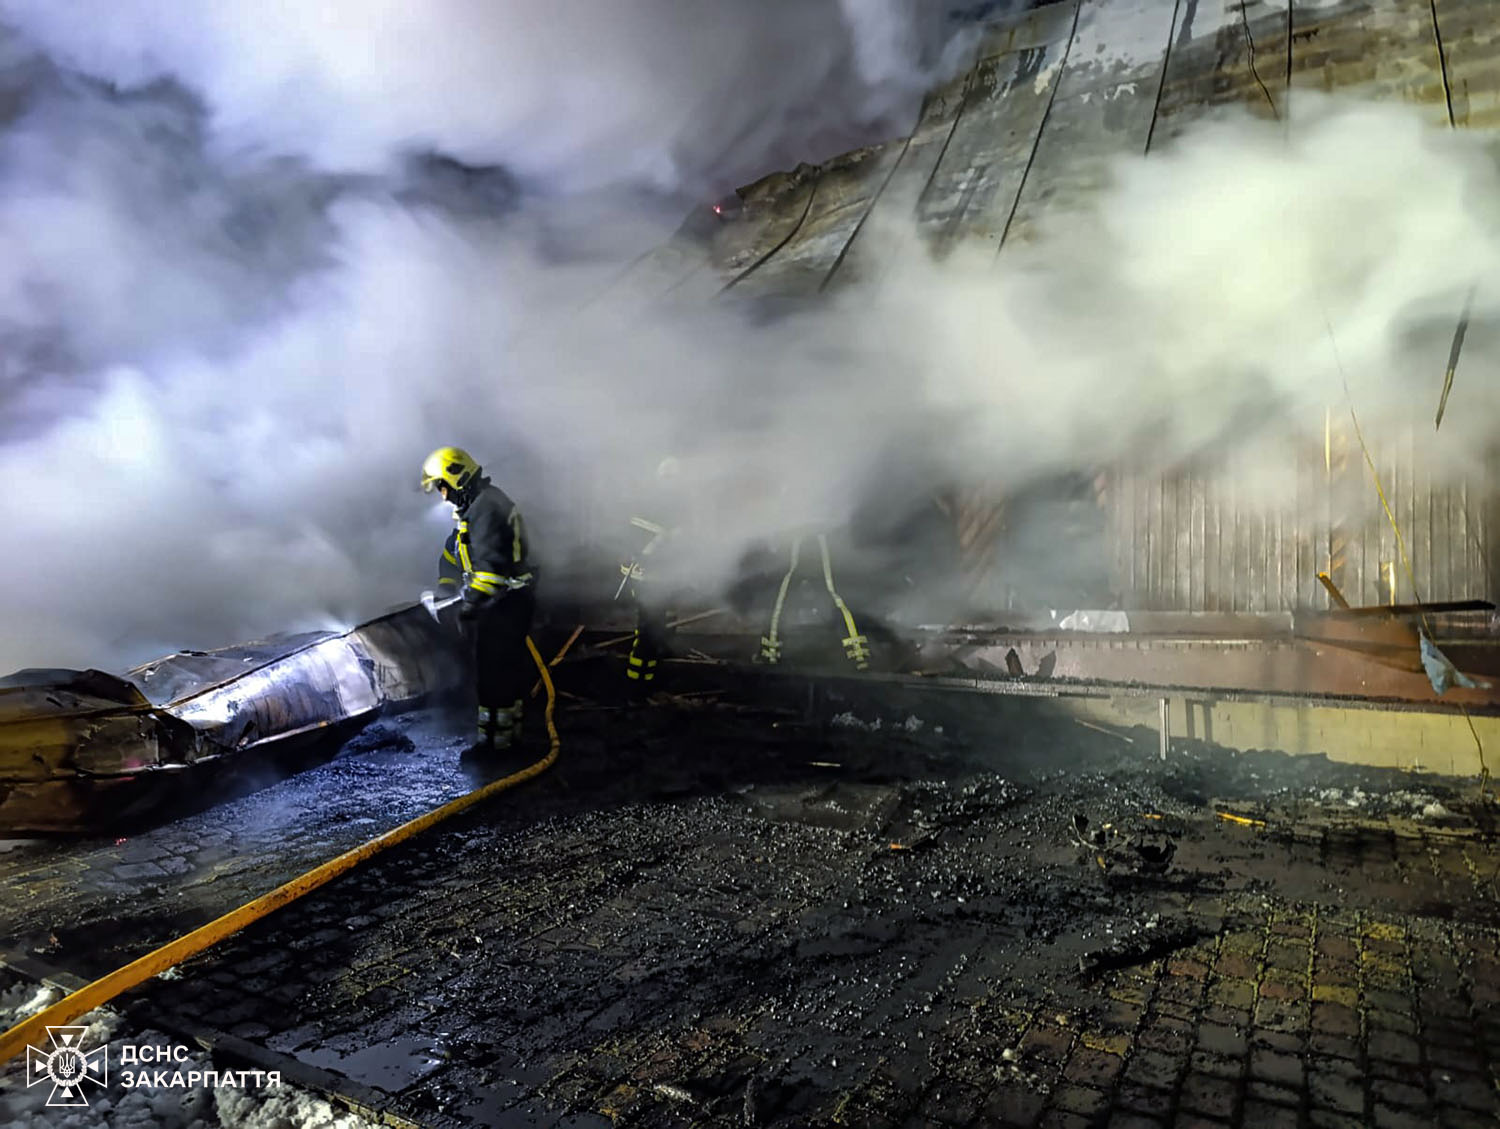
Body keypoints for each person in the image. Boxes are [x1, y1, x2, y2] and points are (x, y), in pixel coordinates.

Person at [420, 446, 536, 752]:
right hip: (501, 602)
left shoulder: (487, 508)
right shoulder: (478, 507)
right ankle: (505, 739)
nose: (442, 497)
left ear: (457, 477)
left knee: (495, 679)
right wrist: (447, 588)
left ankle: (496, 749)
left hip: (505, 604)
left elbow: (490, 571)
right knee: (501, 674)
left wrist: (468, 605)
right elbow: (454, 552)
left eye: (442, 487)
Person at [619, 457, 682, 692]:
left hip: (646, 574)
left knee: (653, 622)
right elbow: (665, 540)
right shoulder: (665, 503)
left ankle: (655, 657)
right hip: (651, 577)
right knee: (650, 629)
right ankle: (639, 682)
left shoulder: (649, 498)